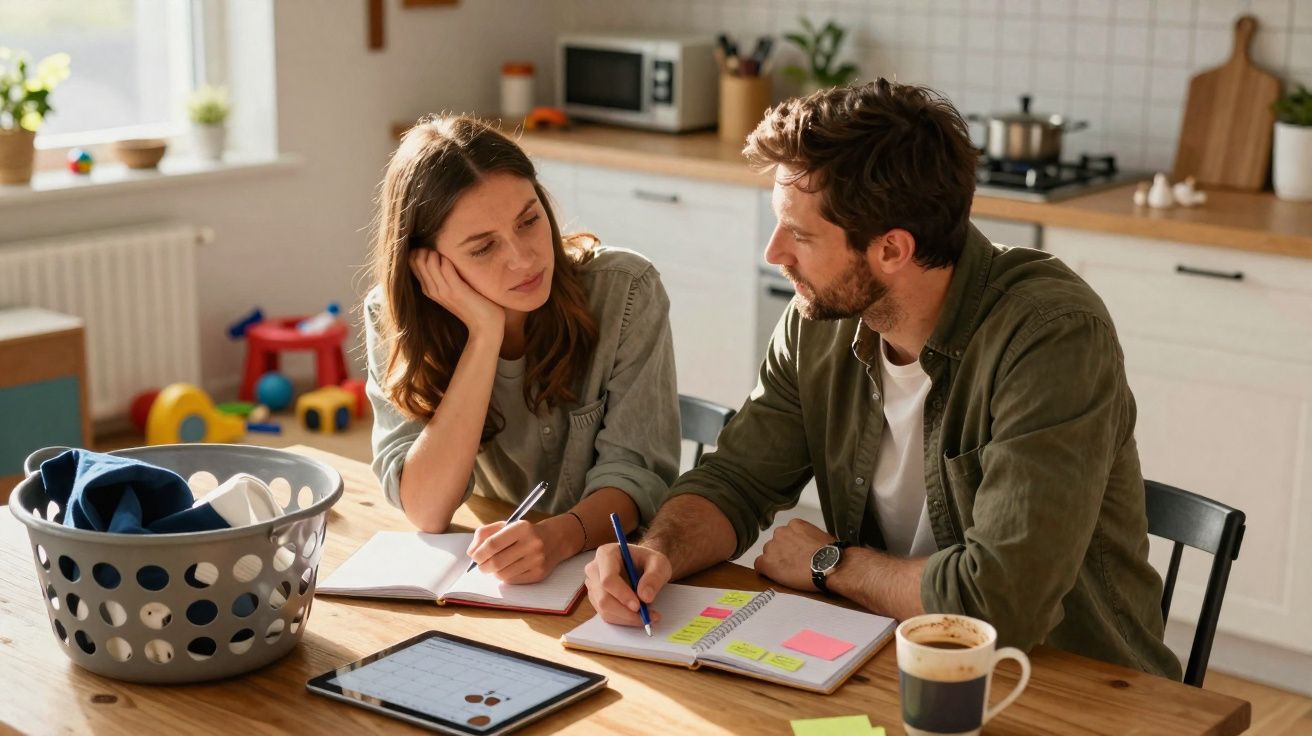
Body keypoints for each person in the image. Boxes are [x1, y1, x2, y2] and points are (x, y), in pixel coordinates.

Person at [583, 80, 1182, 679]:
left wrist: (831, 564)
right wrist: (656, 552)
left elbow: (998, 603)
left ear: (891, 249)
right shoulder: (818, 322)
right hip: (889, 660)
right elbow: (738, 478)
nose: (774, 253)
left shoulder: (1051, 337)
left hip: (1063, 685)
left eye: (800, 234)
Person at [364, 115, 680, 585]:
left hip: (614, 570)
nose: (524, 258)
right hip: (501, 575)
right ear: (426, 263)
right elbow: (427, 510)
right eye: (483, 248)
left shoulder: (627, 291)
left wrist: (559, 537)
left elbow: (634, 475)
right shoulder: (394, 317)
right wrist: (484, 336)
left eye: (529, 220)